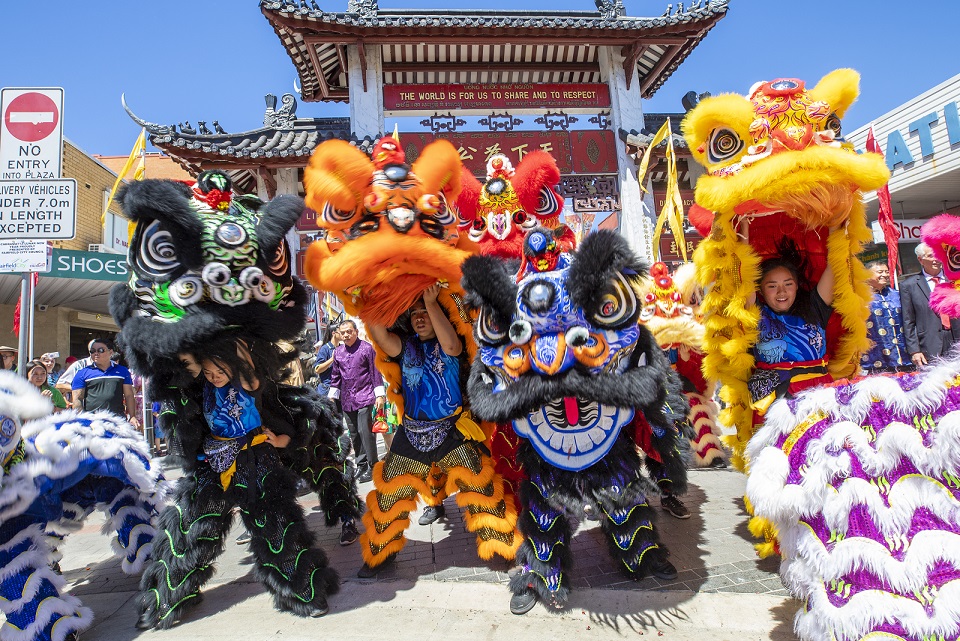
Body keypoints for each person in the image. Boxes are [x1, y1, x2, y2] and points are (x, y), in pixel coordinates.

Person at [357, 284, 519, 578]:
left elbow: (452, 348)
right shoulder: (405, 346)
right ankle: (380, 555)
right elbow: (380, 335)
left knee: (482, 489)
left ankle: (508, 551)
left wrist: (431, 301)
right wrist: (366, 302)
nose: (419, 318)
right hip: (412, 435)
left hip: (453, 433)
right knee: (389, 494)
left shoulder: (453, 340)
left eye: (425, 314)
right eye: (415, 314)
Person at [746, 237, 836, 417]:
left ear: (796, 286)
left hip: (819, 395)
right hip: (773, 402)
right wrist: (744, 227)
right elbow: (743, 269)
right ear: (760, 290)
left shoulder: (815, 308)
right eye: (772, 286)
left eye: (788, 284)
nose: (781, 292)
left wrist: (835, 226)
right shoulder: (754, 313)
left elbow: (834, 264)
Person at [327, 320, 384, 483]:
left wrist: (379, 394)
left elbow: (375, 373)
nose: (346, 335)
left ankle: (373, 466)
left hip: (365, 396)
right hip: (347, 399)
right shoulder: (338, 352)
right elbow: (335, 376)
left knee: (365, 432)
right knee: (354, 433)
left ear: (356, 332)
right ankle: (361, 464)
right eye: (343, 332)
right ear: (339, 334)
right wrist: (332, 396)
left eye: (349, 331)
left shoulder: (367, 349)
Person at [901, 243, 960, 367]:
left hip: (956, 336)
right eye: (931, 256)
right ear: (920, 260)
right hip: (930, 341)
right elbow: (908, 320)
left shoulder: (954, 279)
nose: (936, 259)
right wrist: (914, 350)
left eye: (938, 255)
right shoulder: (909, 285)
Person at [71, 338, 140, 430]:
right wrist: (80, 420)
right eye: (92, 351)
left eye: (100, 350)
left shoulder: (123, 371)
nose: (96, 353)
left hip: (118, 421)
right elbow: (77, 399)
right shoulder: (82, 373)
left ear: (110, 352)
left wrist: (132, 416)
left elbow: (129, 395)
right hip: (93, 423)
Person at [861, 260, 910, 374]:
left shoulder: (897, 294)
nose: (885, 275)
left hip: (902, 354)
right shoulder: (860, 296)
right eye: (880, 272)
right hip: (874, 357)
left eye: (887, 272)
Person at [314, 325, 339, 397]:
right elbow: (317, 369)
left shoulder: (342, 348)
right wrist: (332, 359)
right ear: (334, 333)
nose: (344, 334)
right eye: (341, 332)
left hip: (340, 390)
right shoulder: (325, 349)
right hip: (327, 390)